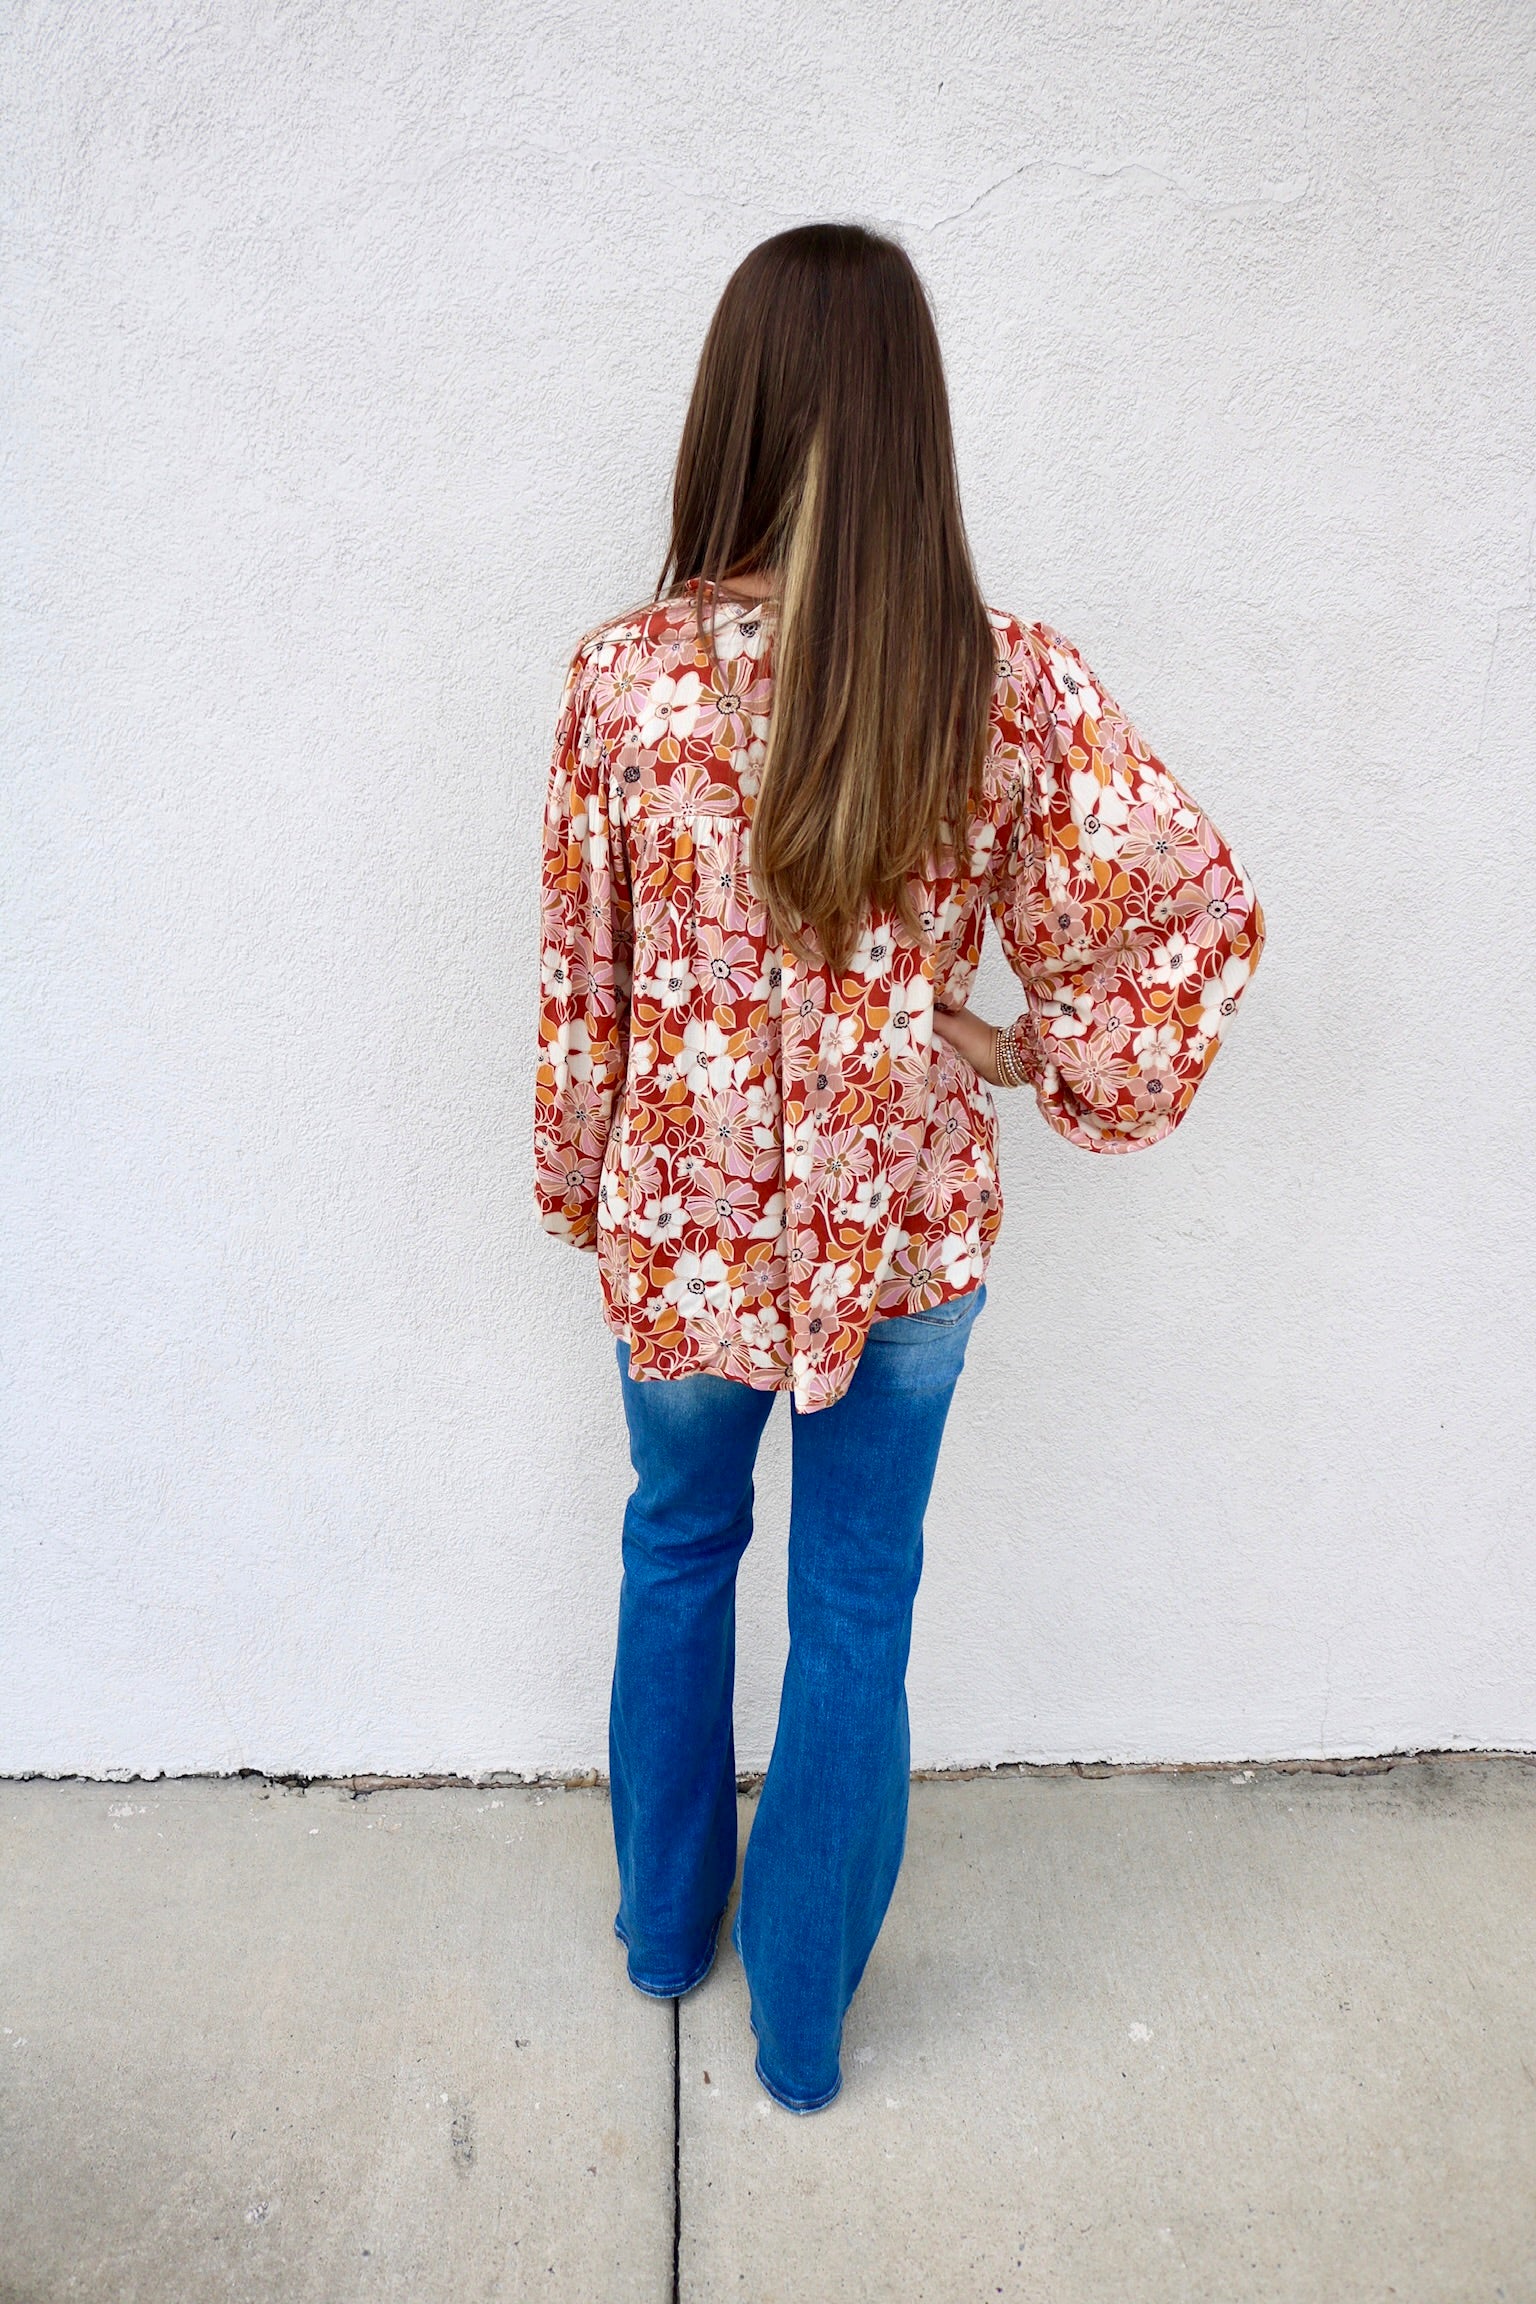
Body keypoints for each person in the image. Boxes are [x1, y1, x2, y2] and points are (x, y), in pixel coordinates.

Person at [534, 223, 1263, 2113]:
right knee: (857, 1605)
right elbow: (1188, 915)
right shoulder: (996, 681)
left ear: (736, 404)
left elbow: (585, 979)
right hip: (908, 1233)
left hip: (683, 1240)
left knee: (677, 1545)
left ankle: (661, 1932)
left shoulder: (623, 685)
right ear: (908, 420)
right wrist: (1031, 1057)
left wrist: (578, 1181)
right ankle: (799, 2034)